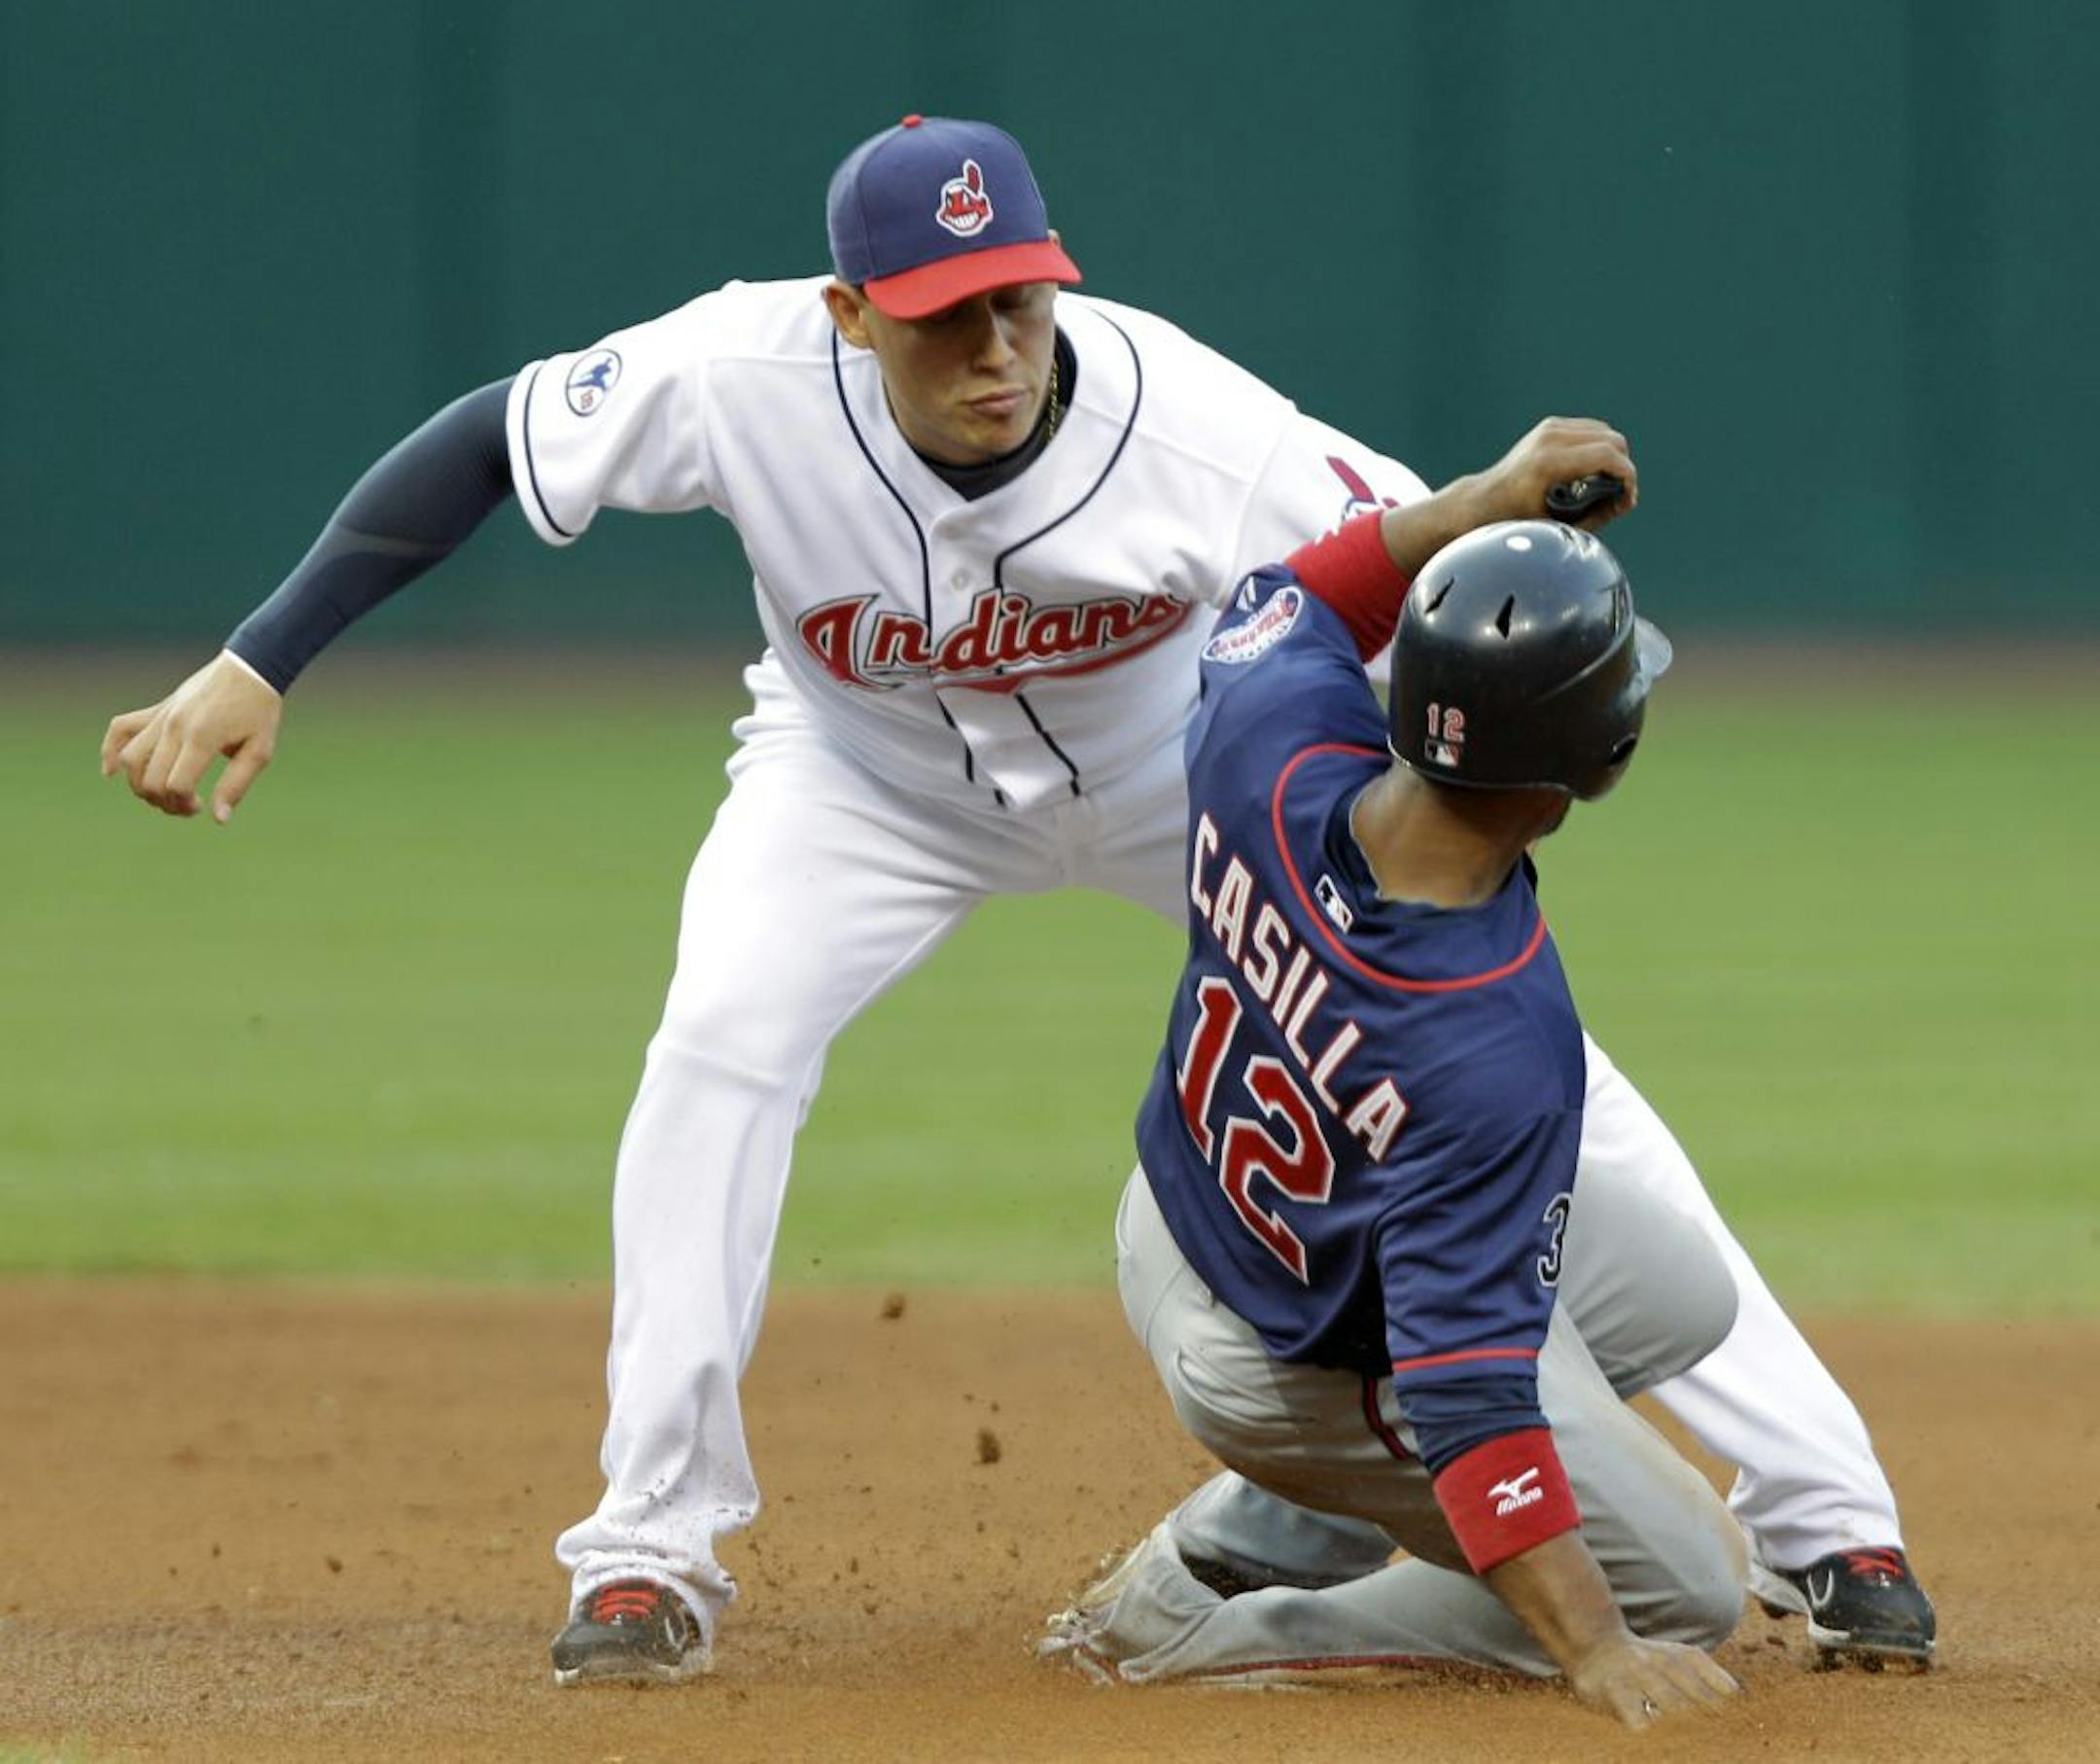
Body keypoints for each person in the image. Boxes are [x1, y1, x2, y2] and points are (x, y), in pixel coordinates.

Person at [99, 115, 1932, 1684]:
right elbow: (487, 443)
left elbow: (1394, 584)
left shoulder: (1187, 420)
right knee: (720, 1041)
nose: (994, 341)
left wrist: (1442, 812)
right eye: (941, 315)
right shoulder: (741, 373)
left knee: (1543, 1082)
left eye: (1020, 296)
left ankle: (1832, 1515)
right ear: (849, 317)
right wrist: (262, 660)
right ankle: (644, 1548)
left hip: (1181, 771)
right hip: (862, 779)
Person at [1040, 507, 1753, 1727]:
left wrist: (1485, 493)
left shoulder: (1274, 742)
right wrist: (1598, 1645)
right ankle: (1223, 1632)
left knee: (1688, 1290)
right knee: (1691, 1588)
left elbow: (1289, 596)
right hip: (1284, 1355)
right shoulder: (1491, 1042)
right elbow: (1460, 1394)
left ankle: (1250, 1534)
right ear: (1595, 756)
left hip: (1186, 1209)